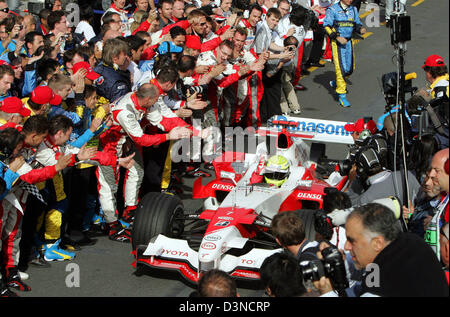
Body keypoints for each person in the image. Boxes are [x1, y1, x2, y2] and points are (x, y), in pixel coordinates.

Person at [314, 203, 449, 297]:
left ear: (377, 243)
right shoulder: (407, 245)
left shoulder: (384, 288)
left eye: (352, 240)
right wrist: (338, 263)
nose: (346, 247)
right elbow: (361, 287)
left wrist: (327, 292)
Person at [323, 0, 366, 107]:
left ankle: (337, 82)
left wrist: (360, 29)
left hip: (349, 42)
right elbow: (326, 26)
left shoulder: (353, 9)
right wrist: (337, 37)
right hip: (337, 43)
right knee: (341, 70)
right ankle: (342, 95)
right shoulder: (332, 9)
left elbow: (356, 23)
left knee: (350, 69)